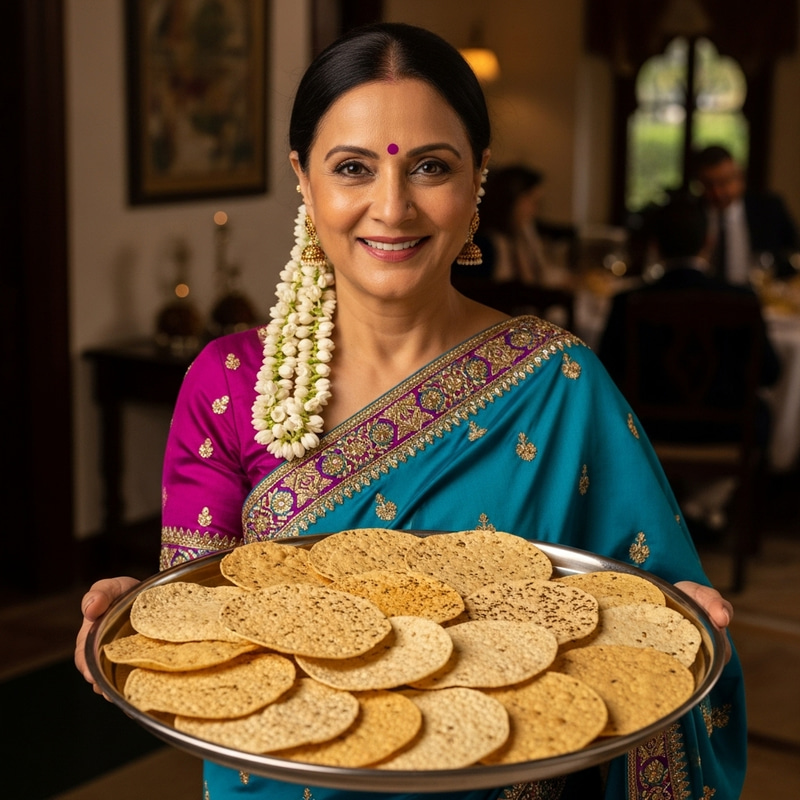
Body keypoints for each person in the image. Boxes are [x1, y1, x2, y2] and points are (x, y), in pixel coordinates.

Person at [75, 22, 746, 800]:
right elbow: (196, 633)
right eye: (352, 168)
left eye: (431, 167)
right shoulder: (229, 384)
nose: (392, 208)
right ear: (303, 179)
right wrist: (134, 624)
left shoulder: (561, 382)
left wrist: (683, 628)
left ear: (477, 178)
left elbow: (640, 624)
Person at [598, 192, 780, 530]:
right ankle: (705, 507)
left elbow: (606, 373)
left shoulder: (628, 301)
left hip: (649, 427)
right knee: (762, 412)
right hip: (727, 430)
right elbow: (770, 373)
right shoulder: (742, 299)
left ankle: (682, 509)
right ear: (709, 241)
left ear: (655, 245)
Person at [693, 144, 799, 284]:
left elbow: (794, 251)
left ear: (739, 178)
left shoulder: (769, 209)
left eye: (724, 182)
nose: (717, 193)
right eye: (709, 185)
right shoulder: (692, 215)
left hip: (759, 293)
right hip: (704, 294)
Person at [457, 164, 577, 287]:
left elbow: (539, 274)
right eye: (533, 202)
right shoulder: (485, 244)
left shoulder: (523, 233)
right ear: (511, 201)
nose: (535, 210)